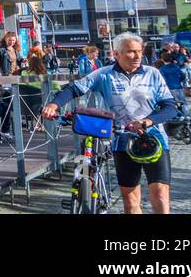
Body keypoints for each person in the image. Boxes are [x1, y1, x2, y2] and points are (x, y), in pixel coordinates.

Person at [42, 33, 178, 214]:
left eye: (139, 51)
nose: (137, 56)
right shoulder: (105, 75)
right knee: (130, 201)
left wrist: (147, 121)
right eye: (131, 52)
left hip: (154, 139)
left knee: (160, 194)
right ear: (117, 54)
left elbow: (170, 107)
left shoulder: (152, 73)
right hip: (123, 141)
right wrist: (53, 104)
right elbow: (75, 88)